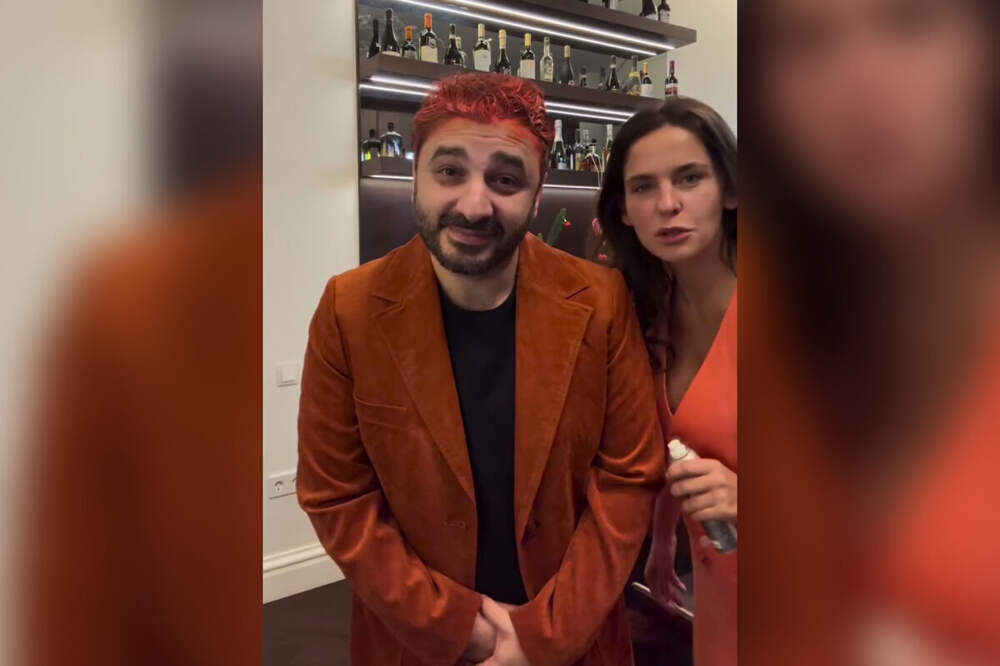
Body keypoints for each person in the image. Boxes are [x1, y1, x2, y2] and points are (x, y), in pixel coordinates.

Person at [296, 72, 666, 666]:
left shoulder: (602, 301)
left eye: (505, 180)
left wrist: (544, 635)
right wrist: (457, 628)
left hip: (575, 644)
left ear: (537, 196)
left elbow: (628, 478)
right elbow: (337, 497)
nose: (474, 204)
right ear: (415, 177)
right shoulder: (350, 309)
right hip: (415, 644)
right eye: (450, 172)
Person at [596, 97, 738, 666]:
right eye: (643, 187)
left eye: (689, 178)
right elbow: (675, 445)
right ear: (625, 210)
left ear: (731, 190)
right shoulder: (650, 311)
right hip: (721, 580)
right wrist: (661, 541)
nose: (667, 204)